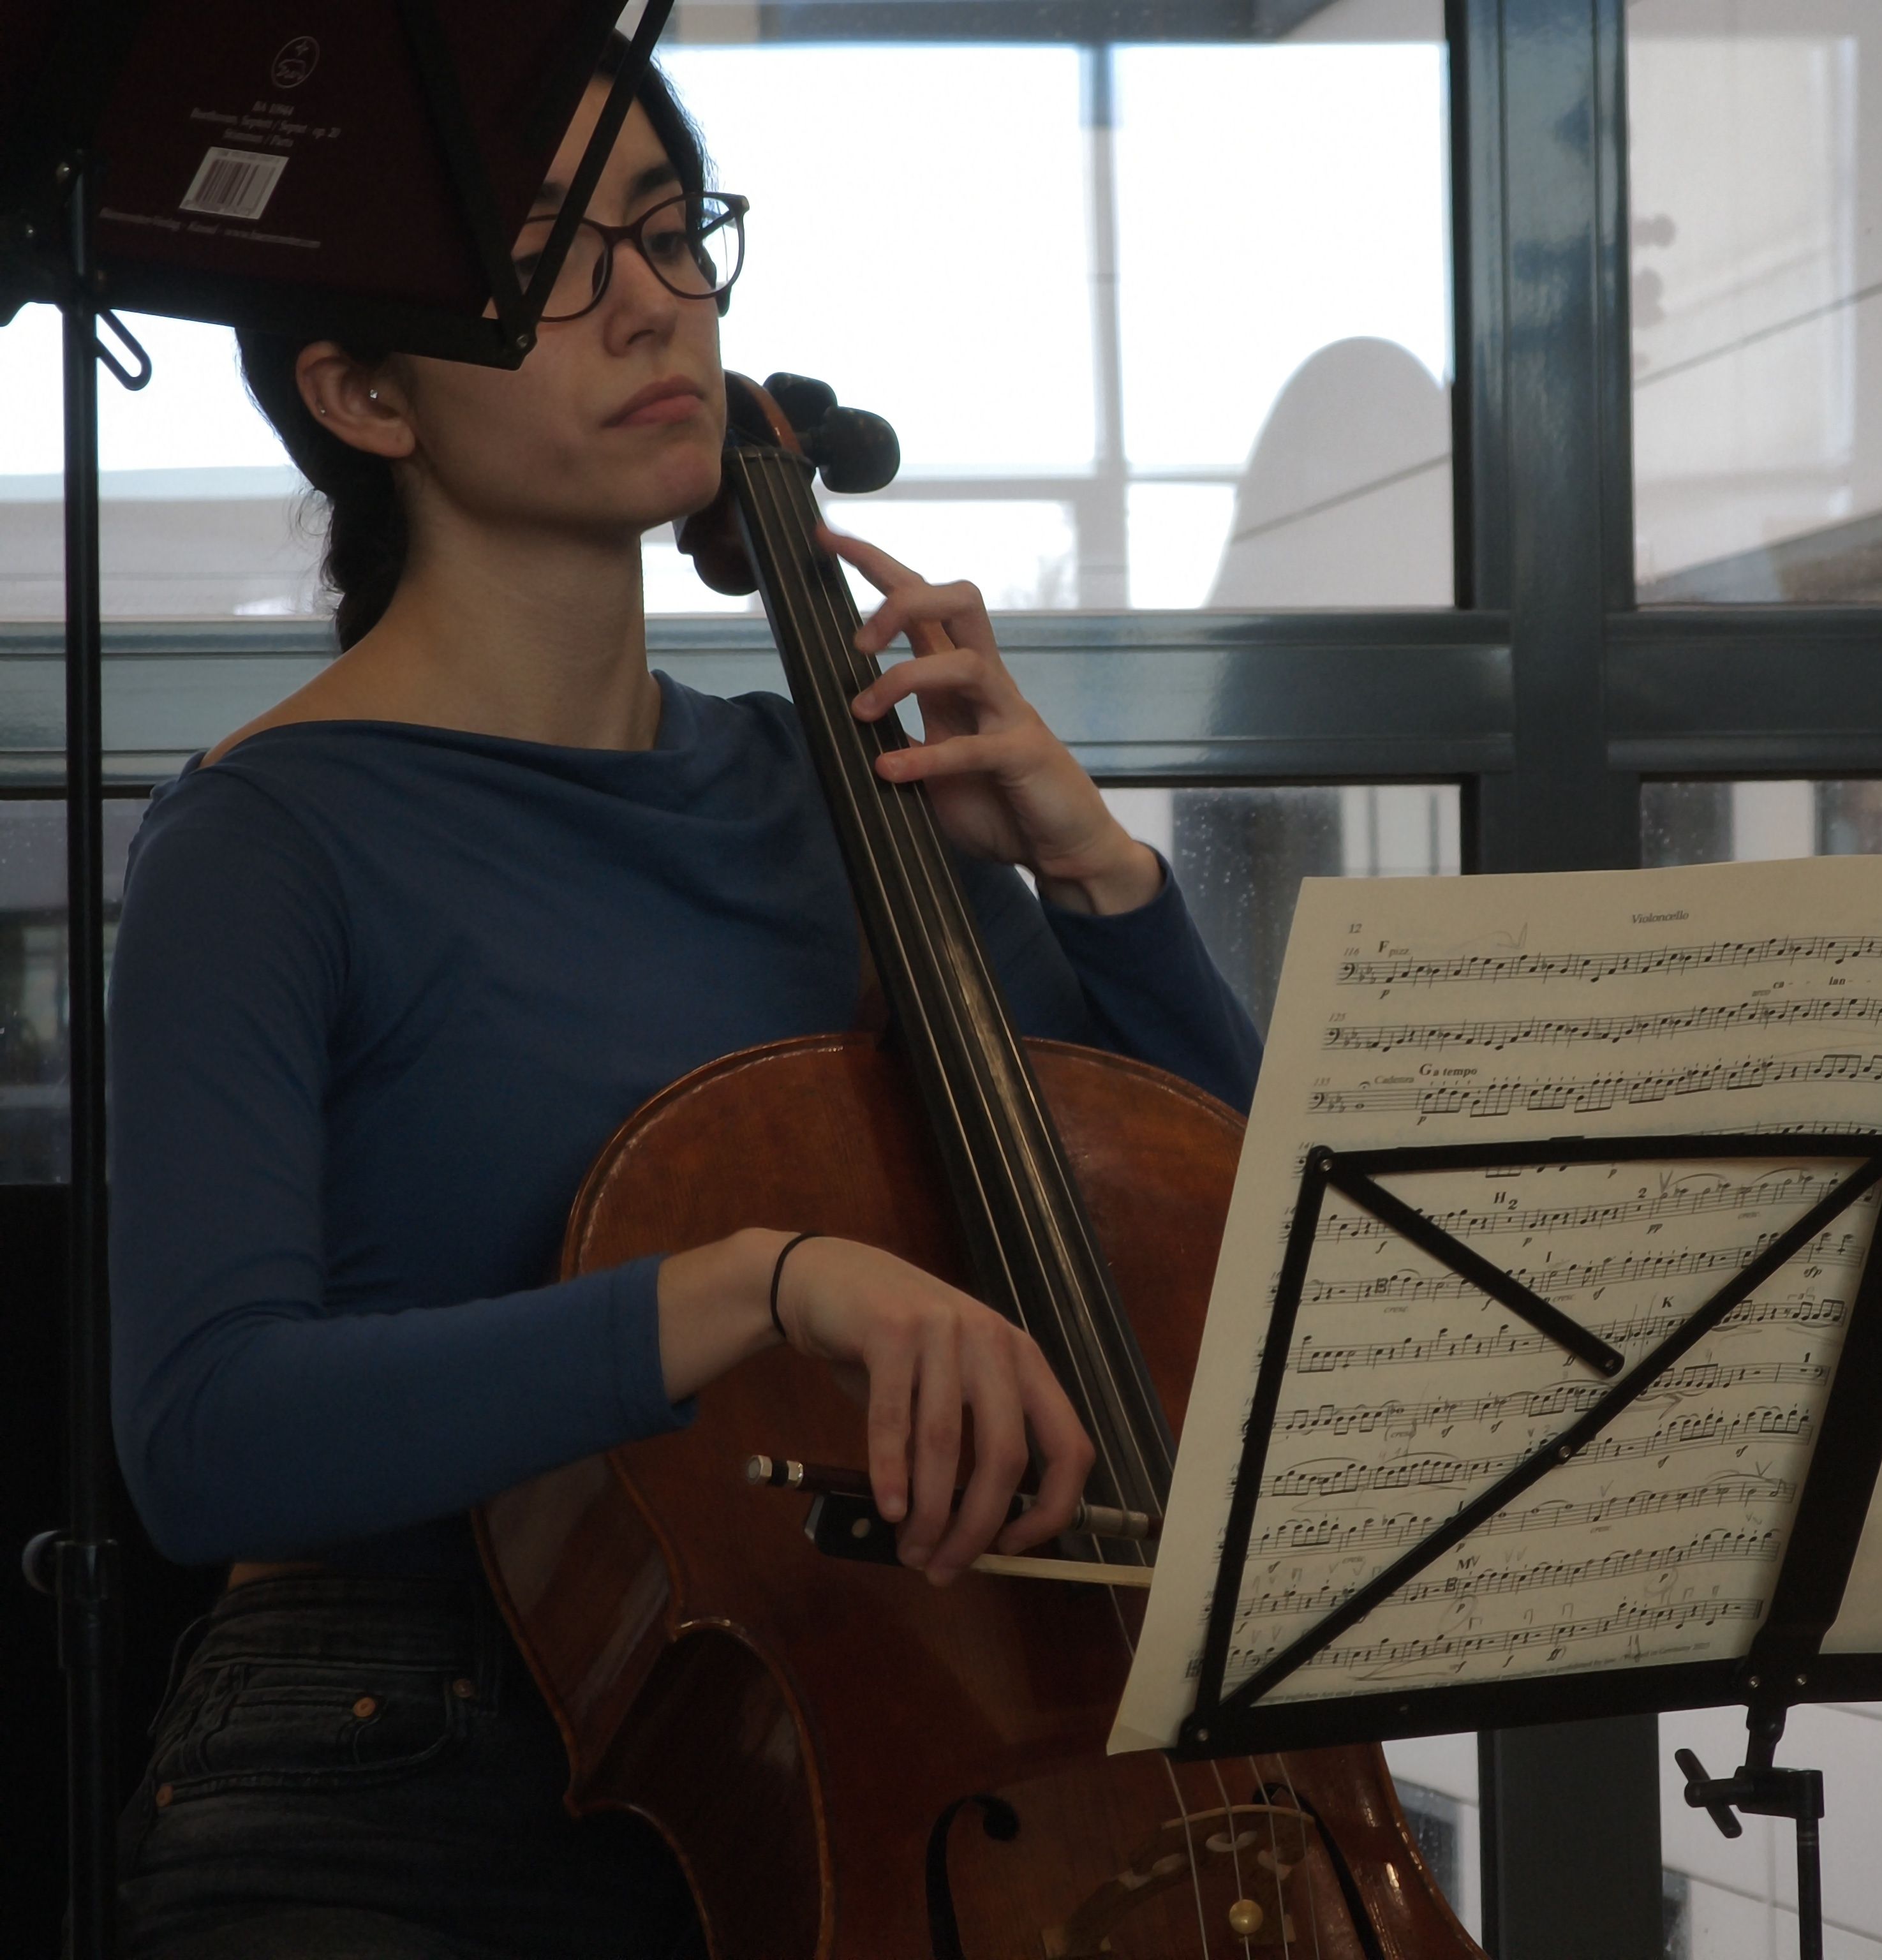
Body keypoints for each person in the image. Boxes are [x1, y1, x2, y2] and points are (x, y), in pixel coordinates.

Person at [107, 48, 1259, 1960]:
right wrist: (756, 1282)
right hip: (404, 1791)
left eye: (670, 229)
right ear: (361, 391)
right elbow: (207, 1436)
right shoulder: (265, 844)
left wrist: (1094, 873)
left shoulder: (837, 796)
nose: (653, 300)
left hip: (862, 1711)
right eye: (553, 260)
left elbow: (1207, 1256)